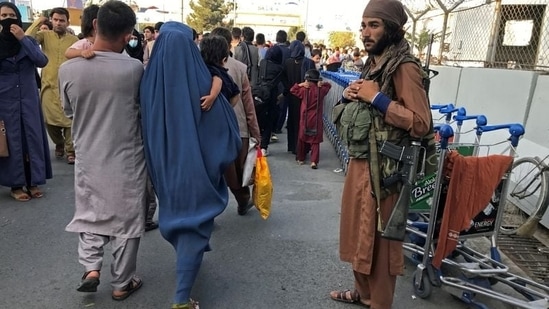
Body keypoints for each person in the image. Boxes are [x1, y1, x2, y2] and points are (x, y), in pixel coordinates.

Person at [329, 1, 432, 309]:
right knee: (356, 235)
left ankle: (380, 302)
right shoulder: (374, 62)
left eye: (374, 25)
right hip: (362, 165)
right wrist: (353, 95)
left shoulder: (404, 67)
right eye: (363, 25)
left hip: (385, 174)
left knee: (381, 246)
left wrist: (376, 98)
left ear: (393, 29)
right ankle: (363, 295)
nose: (365, 32)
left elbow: (420, 122)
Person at [140, 22, 241, 309]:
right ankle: (182, 299)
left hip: (164, 169)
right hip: (196, 170)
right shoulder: (201, 80)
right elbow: (227, 132)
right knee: (192, 227)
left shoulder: (148, 83)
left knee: (178, 219)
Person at [60, 1, 146, 301]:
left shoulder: (68, 69)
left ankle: (91, 267)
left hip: (88, 154)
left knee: (90, 210)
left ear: (95, 25)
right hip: (126, 155)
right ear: (127, 35)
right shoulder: (134, 69)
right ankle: (122, 282)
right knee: (127, 217)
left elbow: (69, 111)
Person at [0, 2, 51, 201]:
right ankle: (16, 185)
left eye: (11, 15)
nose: (7, 19)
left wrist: (22, 38)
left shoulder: (28, 41)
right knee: (12, 141)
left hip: (29, 98)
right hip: (5, 100)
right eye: (3, 16)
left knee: (32, 138)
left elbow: (42, 61)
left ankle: (34, 181)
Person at [210, 26, 262, 216]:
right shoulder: (239, 68)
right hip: (238, 127)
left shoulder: (200, 65)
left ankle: (209, 210)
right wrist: (255, 131)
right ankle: (243, 201)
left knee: (213, 171)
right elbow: (248, 104)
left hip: (211, 130)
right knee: (239, 172)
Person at [25, 8, 78, 164]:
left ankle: (70, 150)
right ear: (51, 20)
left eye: (62, 20)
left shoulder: (74, 41)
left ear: (67, 22)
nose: (58, 23)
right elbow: (26, 39)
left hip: (68, 86)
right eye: (55, 20)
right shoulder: (45, 36)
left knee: (70, 121)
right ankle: (59, 143)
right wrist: (38, 22)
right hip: (48, 86)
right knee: (49, 121)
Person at [289, 69, 331, 169]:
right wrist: (321, 83)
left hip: (305, 118)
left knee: (302, 139)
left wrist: (301, 84)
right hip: (316, 119)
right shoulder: (321, 90)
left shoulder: (304, 90)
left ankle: (301, 158)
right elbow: (329, 85)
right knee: (315, 142)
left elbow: (292, 90)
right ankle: (314, 161)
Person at [200, 35, 241, 107]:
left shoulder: (205, 69)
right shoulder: (224, 75)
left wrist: (212, 97)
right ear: (224, 59)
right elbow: (236, 95)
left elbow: (218, 80)